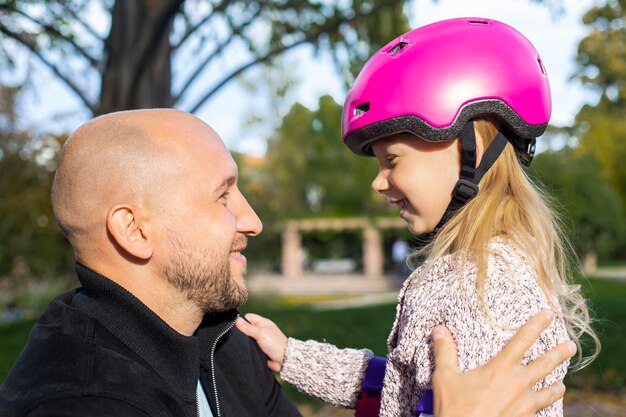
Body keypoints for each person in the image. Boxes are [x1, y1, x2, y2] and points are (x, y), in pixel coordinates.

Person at [0, 109, 574, 417]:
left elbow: (397, 391)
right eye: (223, 196)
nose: (253, 221)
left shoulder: (222, 341)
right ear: (134, 229)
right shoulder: (84, 400)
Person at [236, 17, 599, 417]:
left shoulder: (484, 287)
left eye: (391, 160)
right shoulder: (476, 269)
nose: (378, 183)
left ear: (470, 147)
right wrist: (292, 356)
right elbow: (402, 388)